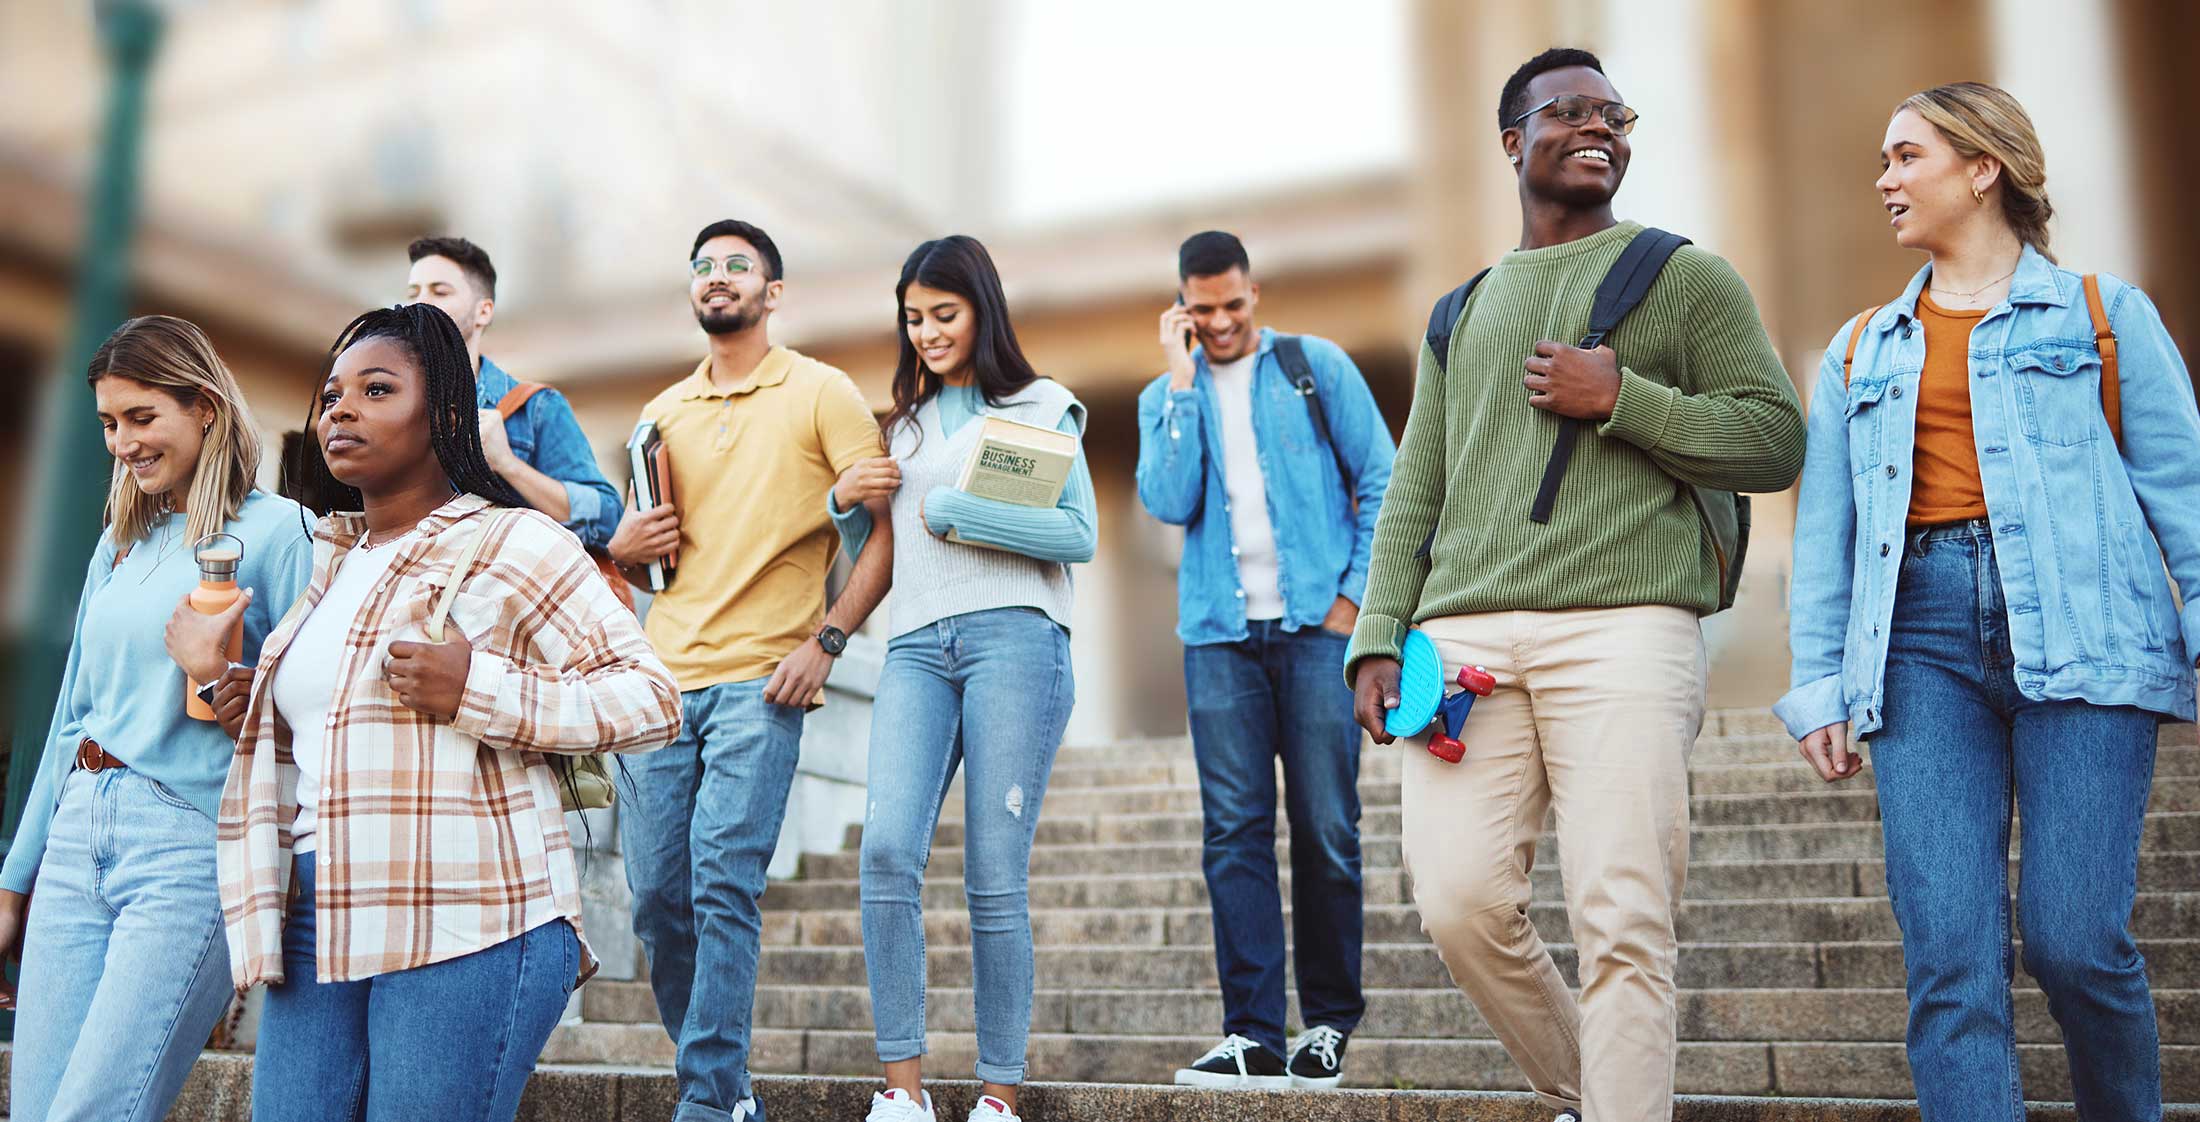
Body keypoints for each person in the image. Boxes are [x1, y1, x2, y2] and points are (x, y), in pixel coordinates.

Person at [1345, 49, 1805, 1122]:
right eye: (1568, 112)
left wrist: (1622, 397)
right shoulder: (1460, 309)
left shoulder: (1684, 276)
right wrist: (1376, 630)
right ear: (1514, 141)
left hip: (1626, 626)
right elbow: (1418, 484)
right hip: (1462, 640)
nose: (1598, 126)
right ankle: (1593, 1091)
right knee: (1458, 902)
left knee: (1623, 918)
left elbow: (1776, 439)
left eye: (1614, 113)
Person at [1777, 82, 2199, 1120]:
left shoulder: (2103, 316)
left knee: (2072, 939)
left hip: (2088, 629)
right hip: (1916, 646)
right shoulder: (1857, 349)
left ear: (1982, 167)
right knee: (1948, 955)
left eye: (1905, 156)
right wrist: (1818, 683)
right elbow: (1824, 537)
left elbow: (2181, 496)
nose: (1883, 179)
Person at [187, 303, 682, 1122]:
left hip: (469, 917)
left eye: (375, 390)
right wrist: (251, 706)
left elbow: (652, 698)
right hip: (317, 915)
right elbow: (351, 739)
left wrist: (475, 691)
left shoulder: (516, 542)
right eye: (332, 394)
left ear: (447, 414)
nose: (340, 409)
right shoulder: (333, 564)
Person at [606, 219, 895, 1122]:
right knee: (656, 898)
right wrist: (619, 548)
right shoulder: (661, 414)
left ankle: (708, 1100)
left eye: (739, 267)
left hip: (763, 682)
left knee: (721, 881)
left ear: (772, 293)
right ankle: (727, 1090)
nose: (718, 278)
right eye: (704, 267)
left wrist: (830, 641)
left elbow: (879, 535)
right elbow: (636, 561)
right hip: (663, 681)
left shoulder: (821, 392)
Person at [0, 316, 312, 1122]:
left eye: (142, 418)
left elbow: (312, 710)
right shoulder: (121, 542)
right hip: (78, 835)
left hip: (186, 846)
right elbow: (72, 715)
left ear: (204, 407)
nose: (122, 443)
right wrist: (14, 878)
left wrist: (220, 674)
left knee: (93, 1113)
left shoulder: (280, 533)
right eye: (109, 423)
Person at [825, 235, 1094, 1122]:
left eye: (944, 314)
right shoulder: (898, 425)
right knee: (888, 848)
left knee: (992, 873)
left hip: (1015, 639)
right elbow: (888, 554)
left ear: (981, 309)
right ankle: (902, 1093)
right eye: (914, 318)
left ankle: (998, 1096)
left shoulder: (1040, 406)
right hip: (915, 648)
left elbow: (1076, 535)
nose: (928, 332)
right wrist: (850, 509)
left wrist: (957, 508)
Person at [1134, 230, 1393, 1090]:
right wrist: (1178, 383)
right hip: (1220, 639)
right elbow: (1168, 501)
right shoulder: (1166, 395)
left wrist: (1352, 604)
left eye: (1232, 306)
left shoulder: (1313, 366)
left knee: (1326, 826)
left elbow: (1384, 482)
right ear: (1181, 308)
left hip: (1319, 633)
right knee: (1234, 835)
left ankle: (1324, 1025)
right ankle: (1251, 1033)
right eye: (1201, 311)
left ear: (1255, 294)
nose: (1219, 324)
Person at [405, 235, 622, 551]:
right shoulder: (389, 404)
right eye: (413, 292)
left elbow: (608, 520)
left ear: (483, 312)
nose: (420, 303)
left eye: (440, 291)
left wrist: (508, 464)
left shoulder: (535, 408)